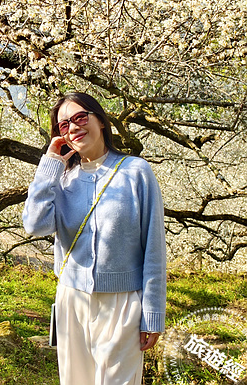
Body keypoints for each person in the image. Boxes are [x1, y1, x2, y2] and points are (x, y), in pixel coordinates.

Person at [22, 91, 166, 385]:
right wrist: (50, 163)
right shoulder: (62, 179)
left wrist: (152, 313)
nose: (73, 127)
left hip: (122, 303)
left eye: (80, 117)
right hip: (71, 300)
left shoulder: (136, 172)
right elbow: (35, 225)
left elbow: (154, 247)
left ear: (100, 120)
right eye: (64, 125)